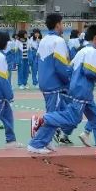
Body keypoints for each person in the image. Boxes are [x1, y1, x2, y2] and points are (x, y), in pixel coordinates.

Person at [29, 25, 96, 160]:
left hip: (82, 90)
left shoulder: (82, 51)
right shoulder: (92, 52)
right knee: (73, 119)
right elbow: (89, 71)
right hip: (82, 90)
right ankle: (41, 120)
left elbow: (69, 69)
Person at [35, 14, 74, 146]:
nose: (63, 26)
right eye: (62, 23)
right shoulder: (59, 41)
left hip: (45, 82)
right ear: (58, 24)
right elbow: (60, 66)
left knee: (67, 113)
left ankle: (54, 136)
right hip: (55, 84)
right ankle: (41, 140)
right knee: (53, 114)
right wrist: (68, 81)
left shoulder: (44, 40)